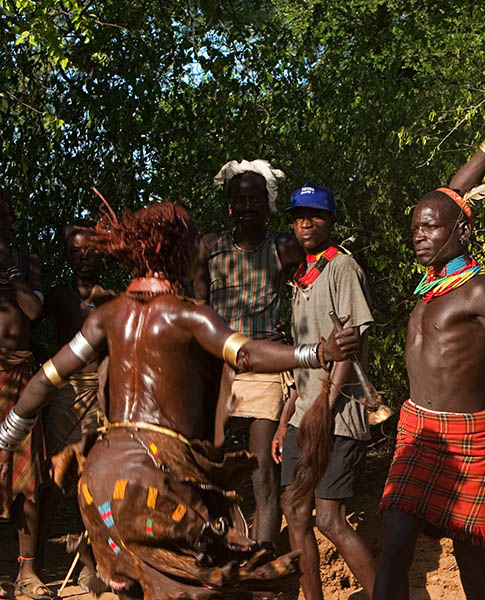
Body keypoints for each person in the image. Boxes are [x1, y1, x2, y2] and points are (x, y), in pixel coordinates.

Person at [0, 202, 360, 599]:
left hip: (99, 482)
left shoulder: (108, 315)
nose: (197, 252)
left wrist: (6, 438)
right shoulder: (189, 315)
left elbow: (47, 377)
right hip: (155, 479)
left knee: (139, 588)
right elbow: (245, 355)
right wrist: (316, 353)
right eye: (191, 244)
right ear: (177, 251)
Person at [372, 109, 485, 600]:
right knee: (396, 540)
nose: (419, 236)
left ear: (460, 233)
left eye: (429, 229)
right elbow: (451, 196)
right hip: (417, 430)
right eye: (415, 229)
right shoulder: (434, 281)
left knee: (472, 564)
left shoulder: (478, 292)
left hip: (470, 437)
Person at [270, 183, 377, 599]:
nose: (305, 224)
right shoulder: (300, 278)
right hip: (304, 415)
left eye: (314, 216)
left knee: (329, 518)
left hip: (336, 415)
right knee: (294, 511)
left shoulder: (342, 268)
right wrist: (286, 420)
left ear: (330, 220)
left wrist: (325, 410)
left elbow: (348, 345)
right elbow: (303, 361)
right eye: (299, 217)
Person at [194, 159, 303, 547]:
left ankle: (263, 558)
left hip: (265, 366)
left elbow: (308, 290)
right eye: (239, 200)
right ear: (229, 205)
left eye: (255, 199)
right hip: (219, 367)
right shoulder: (210, 248)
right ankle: (215, 548)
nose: (247, 207)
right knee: (205, 464)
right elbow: (198, 307)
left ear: (267, 204)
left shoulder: (283, 247)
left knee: (262, 472)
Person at [39, 219, 110, 594]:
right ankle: (33, 562)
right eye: (76, 252)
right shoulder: (57, 297)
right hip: (66, 393)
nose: (85, 258)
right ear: (67, 256)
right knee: (55, 479)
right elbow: (24, 323)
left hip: (103, 393)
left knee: (95, 482)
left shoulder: (113, 299)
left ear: (103, 255)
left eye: (92, 251)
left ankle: (92, 563)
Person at [0, 189, 47, 600]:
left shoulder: (27, 263)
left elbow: (32, 311)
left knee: (27, 474)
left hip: (21, 379)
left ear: (12, 221)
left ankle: (26, 571)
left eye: (3, 216)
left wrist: (11, 271)